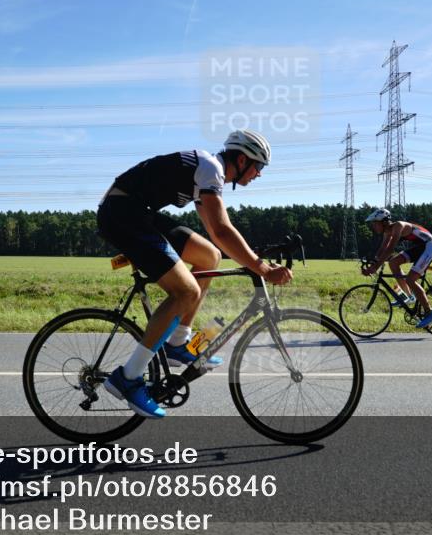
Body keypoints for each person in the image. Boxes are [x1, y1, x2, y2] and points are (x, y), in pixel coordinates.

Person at [96, 129, 293, 418]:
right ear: (241, 160)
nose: (259, 174)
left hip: (138, 211)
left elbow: (216, 234)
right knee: (185, 291)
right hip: (122, 214)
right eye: (258, 166)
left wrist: (253, 259)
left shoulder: (207, 172)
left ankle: (177, 341)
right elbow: (222, 230)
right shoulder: (211, 169)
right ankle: (128, 377)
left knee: (209, 255)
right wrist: (261, 267)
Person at [360, 208, 432, 329]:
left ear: (383, 222)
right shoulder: (387, 232)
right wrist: (373, 263)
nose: (373, 226)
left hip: (430, 246)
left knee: (410, 279)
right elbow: (382, 249)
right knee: (393, 263)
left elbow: (390, 249)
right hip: (420, 247)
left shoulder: (398, 226)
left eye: (375, 223)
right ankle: (409, 296)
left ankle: (430, 313)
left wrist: (375, 267)